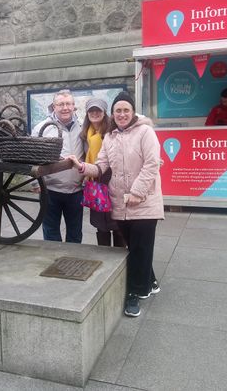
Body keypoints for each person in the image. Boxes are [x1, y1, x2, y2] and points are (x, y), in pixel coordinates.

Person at [68, 93, 162, 317]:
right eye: (118, 111)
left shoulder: (145, 132)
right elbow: (100, 167)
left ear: (132, 112)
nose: (121, 114)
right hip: (120, 203)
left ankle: (134, 294)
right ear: (113, 114)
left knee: (140, 247)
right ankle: (151, 280)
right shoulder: (109, 137)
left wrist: (136, 193)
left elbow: (151, 164)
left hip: (144, 201)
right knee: (134, 246)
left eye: (125, 110)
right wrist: (82, 167)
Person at [32, 89, 84, 243]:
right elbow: (32, 155)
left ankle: (72, 262)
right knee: (51, 232)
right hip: (50, 190)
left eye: (68, 104)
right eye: (60, 104)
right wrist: (35, 182)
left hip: (76, 190)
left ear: (74, 106)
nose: (65, 108)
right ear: (53, 107)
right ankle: (54, 262)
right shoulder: (42, 128)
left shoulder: (83, 127)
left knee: (75, 234)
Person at [79, 97, 124, 248]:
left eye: (98, 110)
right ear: (87, 113)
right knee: (101, 224)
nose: (94, 113)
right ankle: (104, 255)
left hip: (111, 180)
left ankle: (119, 255)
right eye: (91, 110)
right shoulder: (87, 133)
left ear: (105, 112)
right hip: (95, 181)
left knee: (116, 222)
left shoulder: (112, 131)